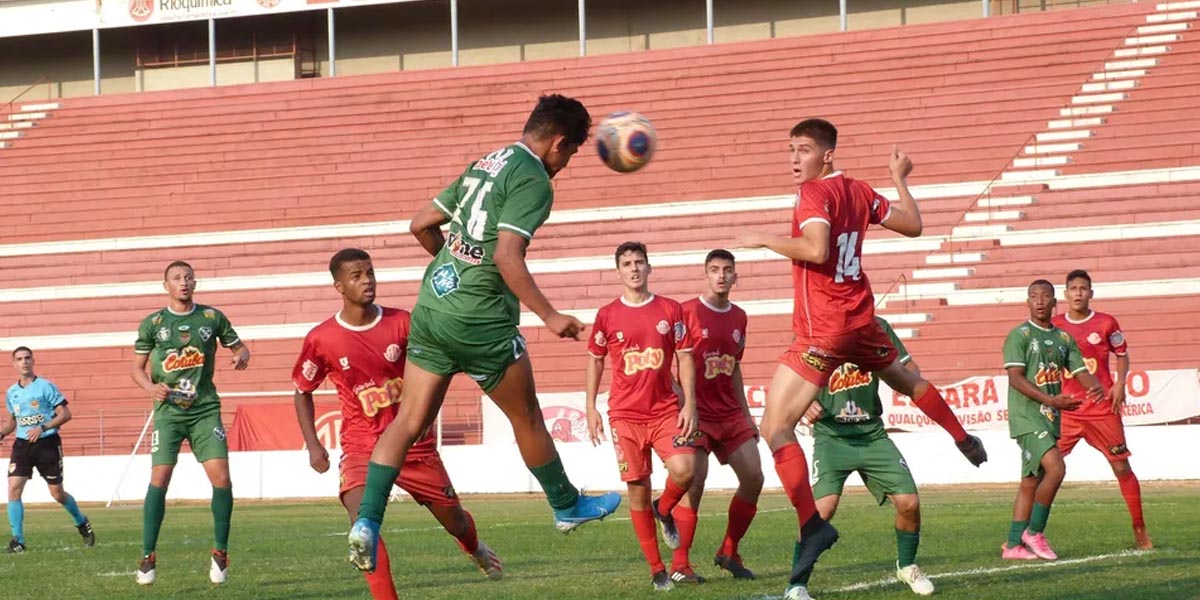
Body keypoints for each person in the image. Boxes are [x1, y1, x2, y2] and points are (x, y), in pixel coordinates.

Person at [348, 95, 621, 572]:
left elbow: (421, 224)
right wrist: (550, 315)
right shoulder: (533, 179)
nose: (566, 164)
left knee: (408, 422)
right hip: (481, 320)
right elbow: (507, 257)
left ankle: (367, 522)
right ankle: (565, 504)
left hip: (433, 305)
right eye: (571, 154)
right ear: (559, 143)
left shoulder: (488, 161)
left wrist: (452, 266)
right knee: (528, 417)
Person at [733, 118, 986, 600]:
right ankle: (962, 437)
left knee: (775, 429)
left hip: (823, 328)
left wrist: (763, 239)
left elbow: (815, 247)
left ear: (826, 155)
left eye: (803, 149)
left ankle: (813, 526)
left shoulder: (813, 194)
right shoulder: (860, 191)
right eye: (790, 149)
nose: (794, 158)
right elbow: (913, 226)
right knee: (903, 376)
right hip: (860, 320)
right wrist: (899, 179)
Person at [294, 249, 501, 599]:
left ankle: (475, 548)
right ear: (338, 285)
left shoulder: (403, 323)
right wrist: (313, 444)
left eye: (370, 273)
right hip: (362, 448)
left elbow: (440, 366)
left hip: (414, 446)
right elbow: (302, 390)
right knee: (364, 529)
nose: (367, 281)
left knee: (457, 523)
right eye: (357, 276)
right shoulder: (322, 338)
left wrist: (428, 413)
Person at [585, 242, 700, 590]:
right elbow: (595, 358)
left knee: (686, 469)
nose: (634, 269)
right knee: (637, 488)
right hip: (624, 415)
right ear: (618, 271)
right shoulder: (607, 314)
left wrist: (690, 403)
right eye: (626, 263)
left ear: (650, 268)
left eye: (639, 262)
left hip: (665, 409)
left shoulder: (670, 309)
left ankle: (663, 509)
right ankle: (656, 569)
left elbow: (686, 357)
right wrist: (590, 405)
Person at [131, 260, 251, 585]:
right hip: (169, 412)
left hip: (204, 409)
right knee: (160, 475)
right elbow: (136, 369)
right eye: (176, 278)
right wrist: (150, 386)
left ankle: (221, 553)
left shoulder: (211, 318)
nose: (183, 282)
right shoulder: (153, 323)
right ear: (165, 285)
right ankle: (147, 557)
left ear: (195, 283)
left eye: (188, 277)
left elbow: (240, 348)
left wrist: (242, 355)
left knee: (222, 478)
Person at [798, 317, 934, 597]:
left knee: (909, 503)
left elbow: (908, 366)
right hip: (832, 436)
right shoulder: (815, 325)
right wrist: (803, 403)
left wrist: (909, 382)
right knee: (821, 512)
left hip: (872, 433)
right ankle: (796, 584)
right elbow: (794, 375)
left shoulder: (878, 327)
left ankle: (907, 566)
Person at [1000, 280, 1103, 561]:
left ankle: (1012, 545)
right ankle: (1034, 531)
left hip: (1049, 417)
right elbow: (1016, 379)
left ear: (1054, 301)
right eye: (1034, 296)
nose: (1040, 301)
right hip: (1027, 416)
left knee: (1031, 481)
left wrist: (1095, 385)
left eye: (1045, 296)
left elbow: (1080, 370)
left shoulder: (1064, 339)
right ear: (1028, 302)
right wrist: (1050, 400)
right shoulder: (1019, 335)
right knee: (1056, 469)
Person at [679, 249, 763, 580]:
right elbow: (675, 362)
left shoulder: (740, 316)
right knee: (694, 483)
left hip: (729, 413)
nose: (721, 276)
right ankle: (681, 564)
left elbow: (735, 367)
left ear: (735, 276)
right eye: (715, 270)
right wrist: (683, 403)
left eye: (727, 270)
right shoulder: (686, 312)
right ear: (705, 274)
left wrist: (747, 413)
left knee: (754, 478)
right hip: (698, 412)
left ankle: (729, 551)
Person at [1051, 269, 1150, 549]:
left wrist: (1120, 384)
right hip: (1068, 409)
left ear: (1091, 293)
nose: (1078, 293)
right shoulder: (1055, 326)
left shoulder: (1106, 323)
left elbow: (1121, 354)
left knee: (1121, 467)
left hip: (1102, 408)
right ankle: (1026, 534)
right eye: (1073, 289)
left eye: (1084, 288)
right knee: (1044, 468)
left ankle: (1139, 527)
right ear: (1066, 294)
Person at [3, 347, 94, 553]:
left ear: (33, 361)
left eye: (27, 358)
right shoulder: (12, 392)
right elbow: (12, 423)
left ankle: (82, 522)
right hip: (22, 445)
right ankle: (18, 540)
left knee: (57, 494)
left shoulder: (45, 387)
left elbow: (65, 414)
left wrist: (43, 427)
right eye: (19, 359)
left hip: (47, 444)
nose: (24, 362)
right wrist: (1, 433)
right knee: (13, 488)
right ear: (14, 364)